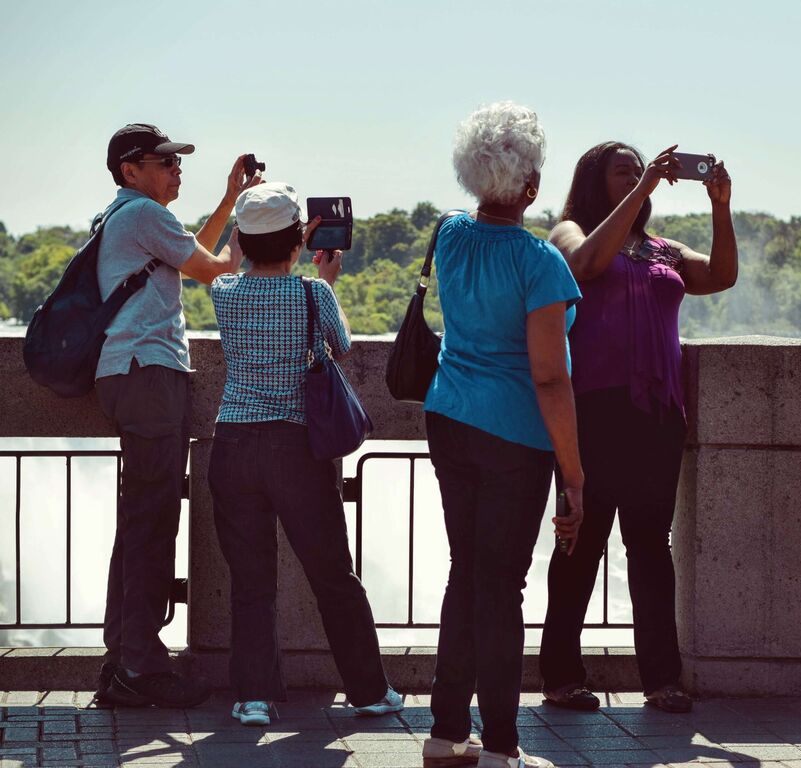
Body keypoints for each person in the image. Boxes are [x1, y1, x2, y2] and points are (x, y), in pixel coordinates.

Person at [539, 142, 737, 713]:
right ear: (594, 181)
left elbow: (721, 275)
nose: (636, 174)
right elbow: (584, 268)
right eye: (622, 170)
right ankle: (560, 676)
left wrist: (720, 208)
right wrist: (643, 188)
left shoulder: (662, 249)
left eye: (639, 167)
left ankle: (662, 679)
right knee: (581, 542)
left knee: (651, 546)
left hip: (657, 414)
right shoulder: (568, 232)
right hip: (592, 411)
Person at [421, 102, 584, 768]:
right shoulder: (540, 262)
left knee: (469, 575)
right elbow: (550, 379)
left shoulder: (449, 234)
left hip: (450, 416)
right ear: (532, 186)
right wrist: (574, 474)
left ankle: (445, 732)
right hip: (514, 434)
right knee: (501, 588)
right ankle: (502, 746)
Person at [207, 182, 403, 726]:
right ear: (298, 238)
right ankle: (367, 689)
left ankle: (252, 697)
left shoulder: (223, 292)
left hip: (233, 443)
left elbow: (233, 260)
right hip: (296, 445)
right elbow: (339, 346)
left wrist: (266, 237)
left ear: (244, 240)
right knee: (332, 575)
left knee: (250, 579)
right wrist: (324, 275)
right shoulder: (313, 294)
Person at [95, 123, 261, 708]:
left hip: (129, 374)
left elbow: (195, 254)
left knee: (141, 516)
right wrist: (252, 237)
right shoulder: (143, 214)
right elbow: (214, 268)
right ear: (129, 170)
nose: (174, 168)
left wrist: (225, 205)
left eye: (175, 161)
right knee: (151, 520)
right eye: (162, 161)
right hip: (148, 375)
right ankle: (140, 667)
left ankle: (125, 656)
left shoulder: (130, 216)